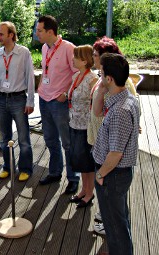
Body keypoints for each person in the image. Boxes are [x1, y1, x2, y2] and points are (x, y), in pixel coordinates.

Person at [86, 36, 137, 235]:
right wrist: (101, 85)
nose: (93, 58)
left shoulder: (120, 107)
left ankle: (117, 241)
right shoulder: (112, 88)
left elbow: (115, 154)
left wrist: (99, 174)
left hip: (112, 164)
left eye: (96, 55)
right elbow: (98, 111)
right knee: (114, 211)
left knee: (116, 219)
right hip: (104, 147)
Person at [35, 15, 79, 193]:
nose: (36, 34)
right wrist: (40, 87)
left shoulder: (69, 48)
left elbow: (78, 74)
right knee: (50, 139)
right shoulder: (45, 48)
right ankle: (54, 172)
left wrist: (66, 93)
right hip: (44, 99)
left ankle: (73, 177)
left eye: (39, 31)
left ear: (50, 32)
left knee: (67, 142)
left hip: (59, 102)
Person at [0, 21, 35, 181]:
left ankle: (25, 169)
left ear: (11, 35)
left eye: (1, 34)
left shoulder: (23, 52)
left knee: (23, 138)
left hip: (19, 99)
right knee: (4, 137)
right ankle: (7, 167)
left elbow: (30, 77)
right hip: (1, 99)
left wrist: (30, 101)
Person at [67, 45, 98, 207]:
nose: (72, 59)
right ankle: (83, 190)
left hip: (86, 126)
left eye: (75, 57)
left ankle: (89, 193)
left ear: (84, 61)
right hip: (74, 123)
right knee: (79, 160)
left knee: (87, 161)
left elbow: (97, 103)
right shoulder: (76, 77)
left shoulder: (92, 79)